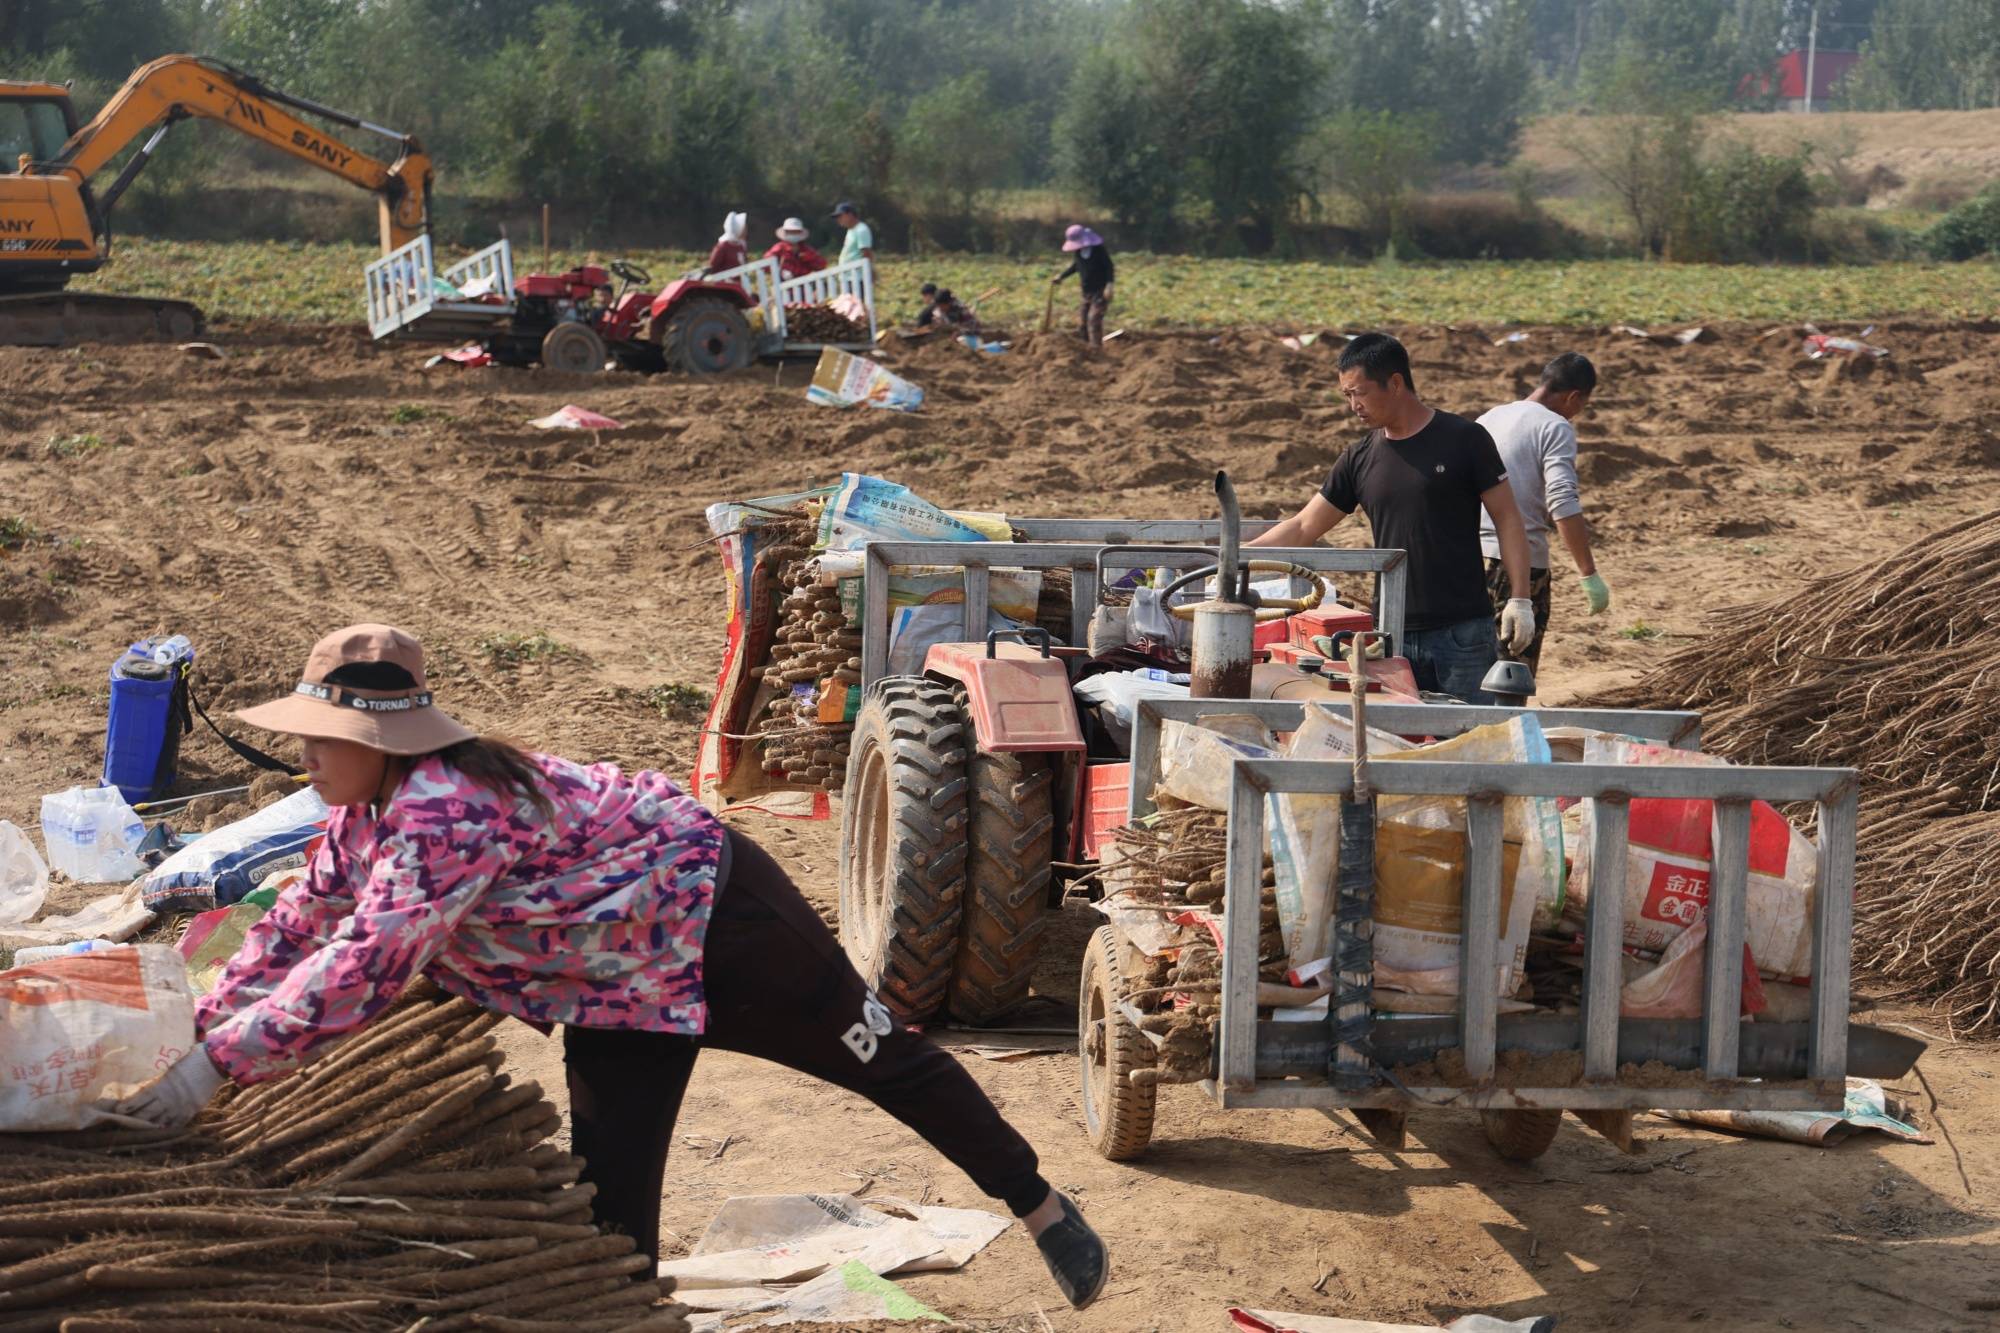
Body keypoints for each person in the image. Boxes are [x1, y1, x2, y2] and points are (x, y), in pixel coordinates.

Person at [107, 624, 1110, 1309]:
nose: (307, 756)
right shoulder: (359, 813)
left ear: (383, 739)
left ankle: (1038, 1202)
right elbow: (292, 930)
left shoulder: (444, 809)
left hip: (717, 922)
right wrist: (190, 1030)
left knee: (882, 1059)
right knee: (611, 1204)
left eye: (325, 737)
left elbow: (365, 965)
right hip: (609, 981)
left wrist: (210, 1071)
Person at [1248, 333, 1537, 704]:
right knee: (1402, 741)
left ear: (1396, 383)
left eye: (1360, 392)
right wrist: (1237, 556)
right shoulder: (1359, 457)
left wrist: (1521, 599)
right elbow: (1304, 526)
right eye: (1347, 395)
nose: (1353, 405)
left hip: (1462, 632)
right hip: (1390, 633)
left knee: (1471, 736)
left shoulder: (1465, 439)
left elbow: (1508, 519)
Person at [1477, 352, 1612, 673]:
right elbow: (1563, 502)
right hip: (1519, 567)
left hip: (1465, 557)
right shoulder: (1554, 427)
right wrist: (1588, 573)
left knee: (1470, 665)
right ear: (1574, 396)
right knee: (1510, 674)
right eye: (1582, 406)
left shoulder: (1489, 417)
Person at [1053, 224, 1114, 348]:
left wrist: (1109, 285)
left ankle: (1096, 348)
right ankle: (1085, 347)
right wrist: (1061, 276)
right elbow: (1076, 266)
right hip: (1086, 292)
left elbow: (1109, 267)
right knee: (1083, 321)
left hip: (1100, 291)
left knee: (1094, 319)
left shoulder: (1098, 250)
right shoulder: (1078, 251)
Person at [831, 200, 873, 268]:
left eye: (840, 216)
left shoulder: (861, 229)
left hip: (858, 276)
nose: (838, 219)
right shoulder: (851, 230)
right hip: (849, 276)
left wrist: (869, 271)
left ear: (850, 215)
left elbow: (866, 253)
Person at [705, 210, 747, 276]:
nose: (745, 230)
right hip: (725, 283)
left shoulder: (741, 246)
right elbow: (713, 265)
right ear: (738, 229)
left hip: (738, 283)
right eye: (743, 228)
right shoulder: (723, 246)